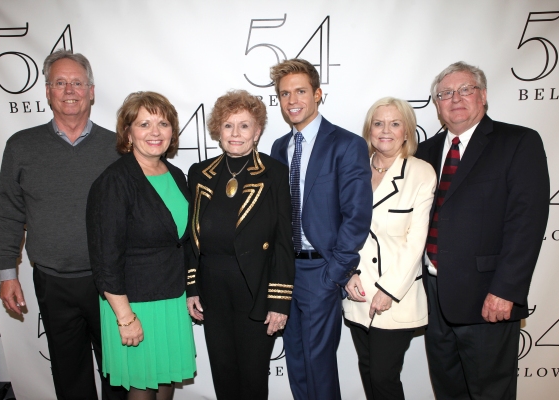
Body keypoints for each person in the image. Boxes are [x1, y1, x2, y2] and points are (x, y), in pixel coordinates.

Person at [0, 49, 125, 400]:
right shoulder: (21, 146)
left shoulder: (118, 147)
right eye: (60, 82)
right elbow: (8, 211)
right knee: (69, 375)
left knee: (121, 373)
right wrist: (7, 275)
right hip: (53, 283)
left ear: (91, 91)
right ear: (47, 91)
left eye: (77, 83)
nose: (70, 90)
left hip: (111, 283)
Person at [416, 61, 550, 399]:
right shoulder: (425, 152)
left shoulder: (518, 142)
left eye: (465, 90)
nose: (455, 99)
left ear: (484, 95)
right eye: (445, 93)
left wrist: (506, 290)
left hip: (487, 297)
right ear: (437, 104)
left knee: (490, 392)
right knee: (449, 390)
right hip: (433, 295)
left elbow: (526, 223)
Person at [270, 59, 372, 400]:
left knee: (319, 363)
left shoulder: (346, 144)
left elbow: (357, 215)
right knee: (296, 359)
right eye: (284, 93)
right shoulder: (278, 148)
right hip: (285, 270)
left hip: (322, 271)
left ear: (317, 94)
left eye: (300, 91)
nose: (292, 100)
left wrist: (335, 273)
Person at [86, 91, 196, 400]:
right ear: (128, 132)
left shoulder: (176, 175)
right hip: (133, 305)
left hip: (171, 300)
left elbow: (181, 242)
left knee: (164, 386)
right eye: (144, 123)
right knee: (142, 390)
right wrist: (125, 317)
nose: (155, 132)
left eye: (163, 123)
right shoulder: (114, 182)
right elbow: (104, 258)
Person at [186, 90, 294, 400]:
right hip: (212, 290)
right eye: (228, 126)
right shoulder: (200, 173)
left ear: (257, 131)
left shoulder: (273, 173)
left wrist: (279, 302)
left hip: (256, 290)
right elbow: (190, 239)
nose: (236, 134)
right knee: (223, 371)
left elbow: (283, 242)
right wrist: (192, 287)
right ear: (217, 130)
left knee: (253, 375)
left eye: (244, 126)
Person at [342, 97, 436, 400]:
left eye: (395, 123)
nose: (386, 130)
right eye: (378, 123)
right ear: (369, 130)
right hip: (357, 291)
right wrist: (347, 273)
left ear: (407, 131)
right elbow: (340, 229)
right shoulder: (353, 170)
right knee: (368, 370)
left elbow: (415, 242)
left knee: (384, 377)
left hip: (397, 294)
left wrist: (390, 290)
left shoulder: (421, 172)